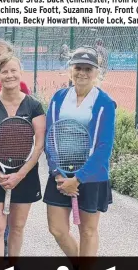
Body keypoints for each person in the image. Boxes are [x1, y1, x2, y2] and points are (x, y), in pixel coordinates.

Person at [43, 47, 116, 258]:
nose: (82, 72)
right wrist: (57, 172)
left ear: (96, 72)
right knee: (57, 229)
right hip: (60, 174)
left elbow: (104, 147)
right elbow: (50, 137)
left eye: (88, 68)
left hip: (91, 177)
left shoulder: (104, 102)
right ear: (71, 70)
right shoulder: (58, 97)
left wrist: (78, 178)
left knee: (87, 230)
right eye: (78, 67)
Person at [0, 53, 45, 259]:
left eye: (13, 70)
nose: (9, 75)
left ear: (20, 73)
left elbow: (39, 145)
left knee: (16, 227)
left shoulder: (34, 106)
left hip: (25, 176)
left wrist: (20, 175)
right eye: (4, 71)